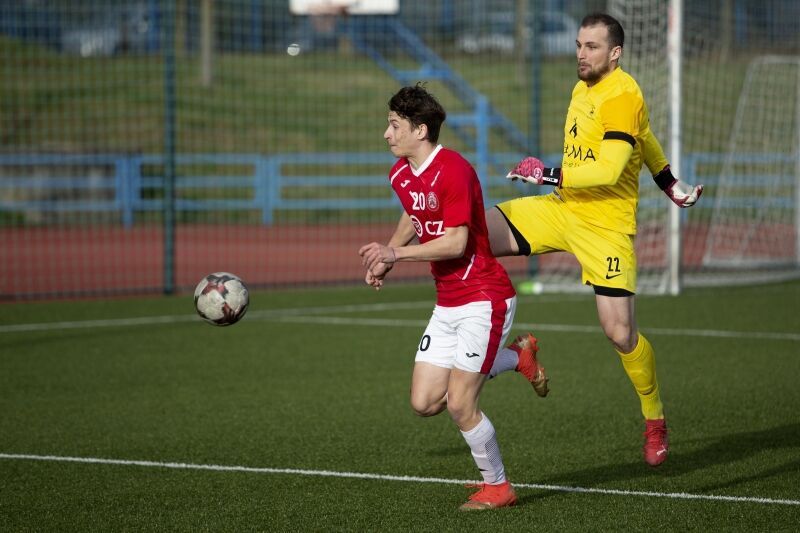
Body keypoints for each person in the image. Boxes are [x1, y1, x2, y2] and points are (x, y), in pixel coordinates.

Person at [487, 13, 702, 467]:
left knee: (620, 333)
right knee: (473, 233)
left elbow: (607, 169)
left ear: (615, 52)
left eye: (592, 47)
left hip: (605, 226)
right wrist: (670, 182)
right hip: (562, 209)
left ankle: (654, 418)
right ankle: (503, 351)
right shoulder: (583, 86)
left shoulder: (624, 95)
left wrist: (544, 173)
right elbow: (648, 141)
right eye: (580, 44)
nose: (581, 54)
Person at [358, 84, 547, 511]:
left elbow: (457, 242)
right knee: (425, 402)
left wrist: (396, 254)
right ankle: (517, 358)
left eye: (394, 125)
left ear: (420, 130)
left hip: (485, 296)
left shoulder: (455, 170)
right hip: (448, 302)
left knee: (461, 404)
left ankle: (499, 487)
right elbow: (414, 210)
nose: (386, 134)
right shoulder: (400, 173)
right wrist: (388, 254)